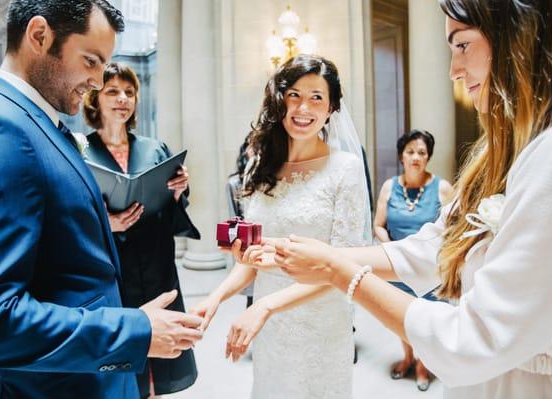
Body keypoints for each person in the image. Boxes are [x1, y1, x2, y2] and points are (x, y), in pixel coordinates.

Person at [260, 1, 552, 398]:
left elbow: (474, 341)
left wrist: (338, 271)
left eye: (462, 45)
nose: (453, 71)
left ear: (521, 36)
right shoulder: (510, 147)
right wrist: (324, 256)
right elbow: (439, 243)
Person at [0, 2, 203, 398]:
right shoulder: (2, 128)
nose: (98, 81)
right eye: (91, 61)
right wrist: (133, 332)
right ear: (39, 36)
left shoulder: (41, 123)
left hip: (89, 374)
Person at [191, 54, 372, 399]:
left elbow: (343, 269)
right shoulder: (261, 165)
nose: (303, 107)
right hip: (270, 325)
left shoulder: (345, 170)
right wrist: (214, 299)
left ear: (332, 107)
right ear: (280, 100)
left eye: (316, 97)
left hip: (320, 322)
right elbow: (251, 262)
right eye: (294, 95)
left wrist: (265, 306)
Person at [81, 62, 200, 399]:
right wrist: (108, 223)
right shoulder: (79, 150)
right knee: (123, 359)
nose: (123, 99)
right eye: (113, 91)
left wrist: (178, 190)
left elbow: (172, 207)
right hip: (112, 267)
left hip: (156, 262)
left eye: (130, 92)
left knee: (161, 360)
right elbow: (70, 216)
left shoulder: (154, 148)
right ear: (95, 99)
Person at [373, 129, 453, 390]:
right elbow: (379, 225)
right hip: (397, 267)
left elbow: (454, 229)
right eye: (410, 152)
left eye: (422, 152)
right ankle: (407, 358)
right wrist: (392, 248)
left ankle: (423, 364)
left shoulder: (442, 188)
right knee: (401, 316)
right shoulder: (389, 187)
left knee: (427, 318)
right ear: (401, 156)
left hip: (430, 268)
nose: (416, 157)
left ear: (428, 157)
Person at [226, 132, 256, 307]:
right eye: (251, 145)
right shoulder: (235, 183)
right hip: (248, 246)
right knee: (252, 300)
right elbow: (234, 220)